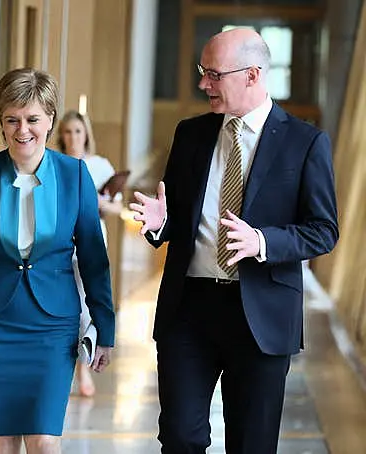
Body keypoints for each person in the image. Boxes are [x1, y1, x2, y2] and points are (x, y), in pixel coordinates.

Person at [130, 28, 338, 454]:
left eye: (213, 74)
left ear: (252, 75)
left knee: (251, 445)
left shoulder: (305, 143)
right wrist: (159, 224)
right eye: (202, 72)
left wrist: (262, 241)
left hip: (261, 316)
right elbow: (177, 217)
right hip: (189, 310)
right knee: (180, 438)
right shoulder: (191, 133)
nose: (203, 84)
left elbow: (323, 229)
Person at [0, 68, 115, 454]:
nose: (22, 130)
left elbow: (95, 260)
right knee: (0, 440)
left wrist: (105, 327)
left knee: (45, 440)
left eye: (32, 119)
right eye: (12, 120)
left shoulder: (74, 175)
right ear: (1, 122)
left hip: (52, 326)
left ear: (50, 120)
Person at [57, 110, 122, 397]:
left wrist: (96, 202)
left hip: (91, 243)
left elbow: (117, 207)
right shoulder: (53, 163)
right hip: (59, 244)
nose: (73, 137)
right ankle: (65, 366)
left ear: (86, 134)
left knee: (86, 305)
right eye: (68, 132)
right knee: (64, 305)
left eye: (78, 131)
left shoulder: (99, 165)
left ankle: (83, 368)